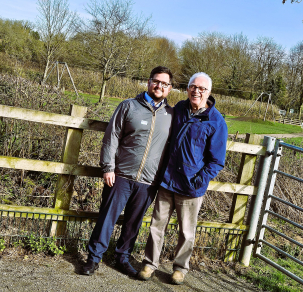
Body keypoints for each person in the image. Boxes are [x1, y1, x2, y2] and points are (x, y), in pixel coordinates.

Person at [82, 66, 174, 277]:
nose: (159, 86)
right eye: (156, 81)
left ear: (169, 89)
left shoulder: (171, 115)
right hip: (120, 175)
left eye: (164, 83)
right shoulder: (128, 106)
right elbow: (111, 137)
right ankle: (93, 259)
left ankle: (122, 258)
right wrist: (108, 167)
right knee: (107, 218)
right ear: (149, 82)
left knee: (134, 223)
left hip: (149, 182)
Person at [138, 72, 228, 285]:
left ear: (209, 92)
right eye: (192, 87)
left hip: (191, 187)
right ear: (187, 89)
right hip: (168, 180)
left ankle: (180, 269)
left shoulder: (216, 121)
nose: (196, 91)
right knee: (156, 226)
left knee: (186, 232)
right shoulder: (178, 109)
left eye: (201, 88)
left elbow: (216, 161)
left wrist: (198, 181)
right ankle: (150, 264)